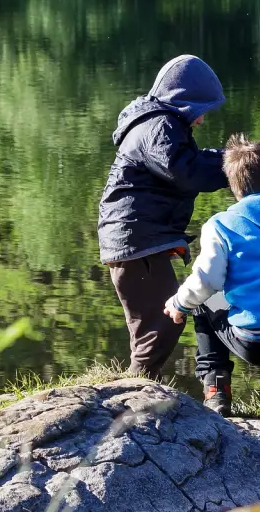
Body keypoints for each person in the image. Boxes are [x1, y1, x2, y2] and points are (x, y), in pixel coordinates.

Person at [164, 135, 260, 417]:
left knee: (205, 300)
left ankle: (216, 388)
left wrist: (179, 303)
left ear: (233, 187)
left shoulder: (222, 224)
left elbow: (206, 280)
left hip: (256, 341)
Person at [97, 55, 228, 379]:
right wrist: (235, 165)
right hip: (135, 238)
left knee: (154, 324)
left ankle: (138, 388)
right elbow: (187, 171)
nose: (200, 121)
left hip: (135, 237)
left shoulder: (159, 123)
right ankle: (135, 392)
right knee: (162, 323)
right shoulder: (159, 127)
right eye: (199, 111)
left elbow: (189, 160)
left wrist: (227, 158)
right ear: (182, 100)